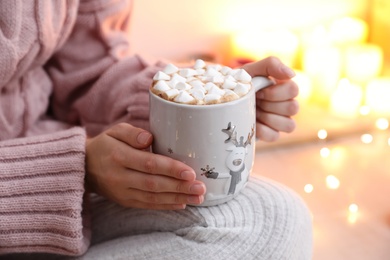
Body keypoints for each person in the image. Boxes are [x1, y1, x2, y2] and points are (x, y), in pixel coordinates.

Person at [0, 0, 313, 259]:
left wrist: (200, 98)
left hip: (54, 158)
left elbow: (87, 71)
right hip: (23, 185)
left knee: (276, 219)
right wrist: (70, 169)